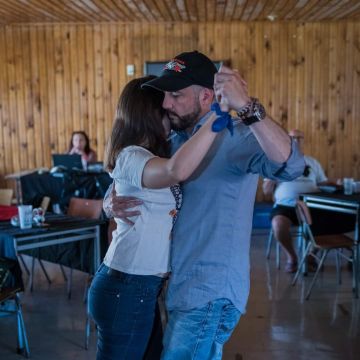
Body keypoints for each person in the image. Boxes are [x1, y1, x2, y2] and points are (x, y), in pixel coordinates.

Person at [104, 51, 305, 359]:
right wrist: (110, 202)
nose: (166, 103)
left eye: (176, 95)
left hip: (210, 293)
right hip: (175, 288)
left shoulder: (237, 136)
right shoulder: (171, 141)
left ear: (206, 97)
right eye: (165, 95)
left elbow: (291, 165)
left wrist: (247, 108)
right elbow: (134, 175)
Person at [88, 75, 225, 360]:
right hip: (125, 287)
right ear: (151, 113)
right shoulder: (132, 156)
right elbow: (175, 171)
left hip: (139, 287)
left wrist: (108, 202)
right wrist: (218, 115)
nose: (171, 110)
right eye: (166, 106)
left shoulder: (150, 153)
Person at [263, 129, 351, 273]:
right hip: (286, 206)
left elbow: (322, 182)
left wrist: (337, 182)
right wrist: (273, 176)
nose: (296, 141)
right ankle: (292, 257)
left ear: (303, 141)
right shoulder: (277, 161)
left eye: (299, 138)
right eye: (293, 138)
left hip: (311, 205)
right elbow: (266, 191)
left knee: (329, 219)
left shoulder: (312, 162)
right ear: (288, 140)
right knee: (278, 223)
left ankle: (310, 255)